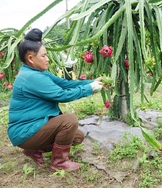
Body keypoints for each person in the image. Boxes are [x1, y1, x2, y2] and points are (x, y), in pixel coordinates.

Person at [8, 28, 103, 171]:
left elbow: (65, 83)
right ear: (31, 58)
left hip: (36, 125)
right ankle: (59, 163)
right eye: (44, 56)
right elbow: (62, 95)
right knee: (69, 120)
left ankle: (33, 149)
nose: (47, 59)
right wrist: (89, 89)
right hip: (24, 131)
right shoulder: (31, 77)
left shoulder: (39, 72)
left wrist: (90, 83)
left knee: (77, 137)